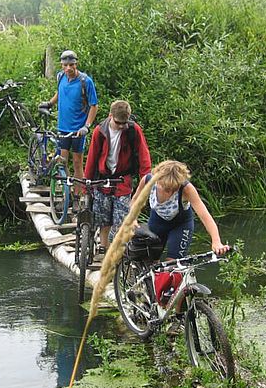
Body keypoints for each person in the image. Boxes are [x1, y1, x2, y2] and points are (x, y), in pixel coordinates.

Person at [84, 100, 151, 249]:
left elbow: (143, 156)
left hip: (123, 181)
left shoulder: (133, 130)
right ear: (110, 116)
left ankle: (120, 254)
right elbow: (92, 158)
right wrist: (86, 183)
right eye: (118, 123)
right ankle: (104, 248)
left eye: (124, 123)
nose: (121, 126)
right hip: (103, 181)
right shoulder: (100, 131)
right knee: (103, 220)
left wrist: (147, 181)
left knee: (122, 219)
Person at [133, 160, 230, 260]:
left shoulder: (186, 189)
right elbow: (136, 200)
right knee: (151, 260)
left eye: (173, 189)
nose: (170, 192)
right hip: (157, 221)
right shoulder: (148, 180)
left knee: (173, 265)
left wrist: (216, 241)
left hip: (180, 225)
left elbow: (205, 216)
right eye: (166, 188)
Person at [39, 50, 98, 181]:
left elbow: (94, 106)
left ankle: (77, 197)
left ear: (76, 64)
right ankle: (67, 192)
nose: (68, 68)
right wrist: (49, 103)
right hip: (62, 127)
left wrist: (87, 126)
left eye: (71, 65)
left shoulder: (85, 81)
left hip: (78, 130)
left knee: (77, 163)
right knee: (62, 161)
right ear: (61, 65)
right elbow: (59, 93)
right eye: (65, 65)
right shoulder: (61, 76)